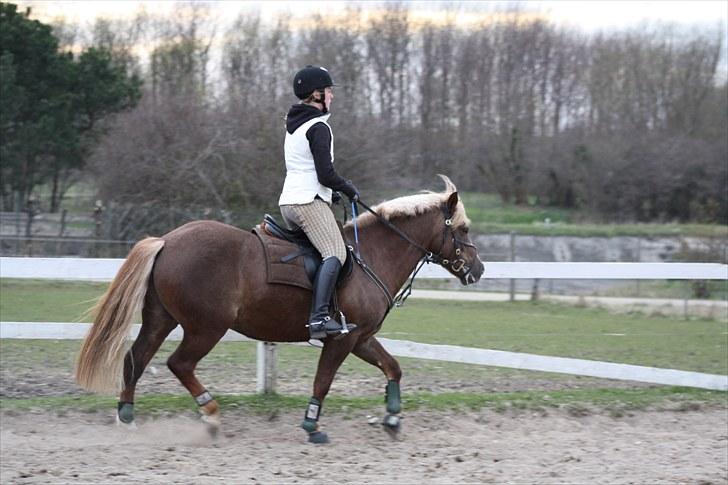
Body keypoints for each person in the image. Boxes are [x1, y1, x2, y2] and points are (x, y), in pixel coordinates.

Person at [279, 65, 359, 340]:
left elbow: (306, 168)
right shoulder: (318, 127)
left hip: (289, 200)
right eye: (328, 91)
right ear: (316, 95)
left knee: (320, 253)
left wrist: (331, 193)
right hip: (305, 201)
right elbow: (326, 172)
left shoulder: (294, 124)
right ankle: (319, 319)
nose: (332, 97)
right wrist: (347, 188)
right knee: (336, 252)